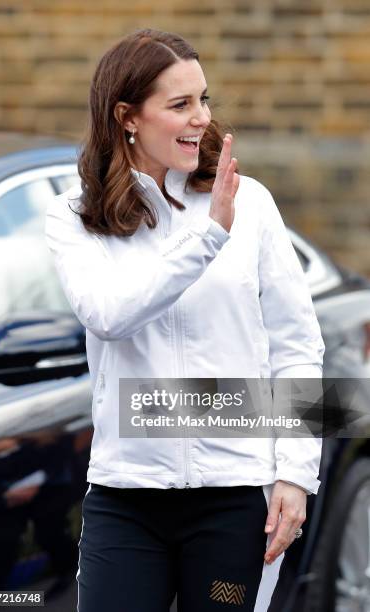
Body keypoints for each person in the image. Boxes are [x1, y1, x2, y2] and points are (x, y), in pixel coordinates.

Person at [45, 28, 325, 612]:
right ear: (127, 117)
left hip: (236, 502)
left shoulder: (251, 204)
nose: (201, 118)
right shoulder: (75, 214)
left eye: (204, 99)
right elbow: (109, 314)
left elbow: (298, 346)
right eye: (180, 105)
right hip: (125, 500)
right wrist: (206, 238)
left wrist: (297, 476)